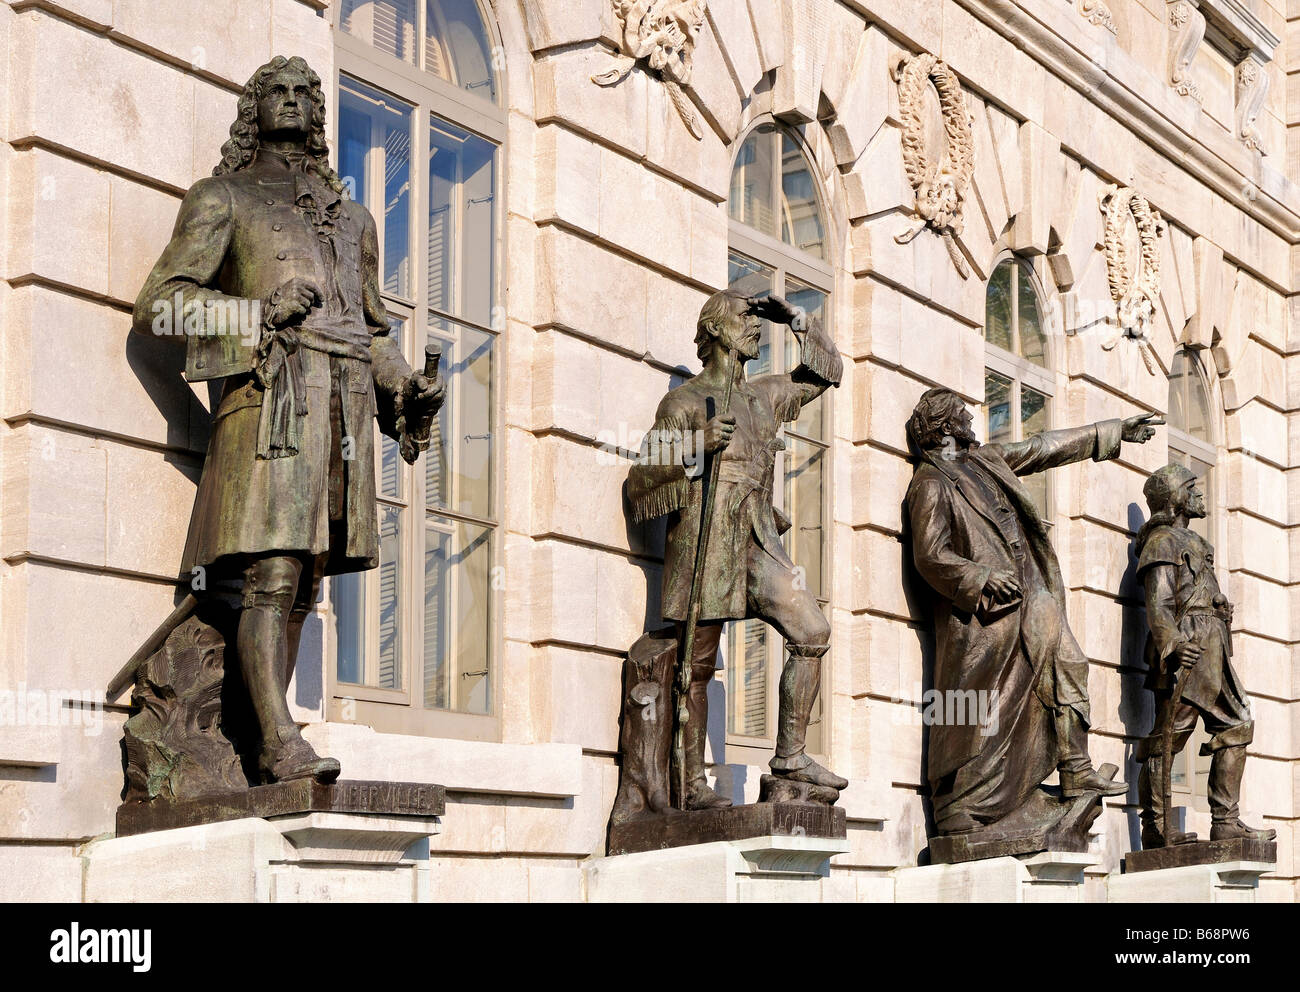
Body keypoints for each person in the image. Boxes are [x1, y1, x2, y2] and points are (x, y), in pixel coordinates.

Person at [133, 56, 444, 784]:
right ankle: (278, 741)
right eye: (280, 91)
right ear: (254, 108)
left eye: (309, 92)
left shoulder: (355, 219)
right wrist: (255, 313)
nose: (297, 101)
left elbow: (370, 333)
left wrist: (404, 391)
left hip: (342, 407)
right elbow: (160, 303)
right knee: (272, 571)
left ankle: (262, 726)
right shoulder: (224, 198)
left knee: (309, 578)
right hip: (271, 400)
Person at [905, 386, 1161, 834]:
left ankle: (1074, 764)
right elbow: (929, 555)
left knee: (1070, 662)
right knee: (974, 713)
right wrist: (980, 577)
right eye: (962, 413)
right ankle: (963, 805)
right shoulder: (930, 484)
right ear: (945, 426)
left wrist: (1109, 432)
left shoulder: (985, 461)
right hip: (984, 616)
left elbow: (1042, 448)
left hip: (1030, 592)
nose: (971, 416)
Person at [627, 289, 846, 808]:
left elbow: (825, 373)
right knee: (697, 665)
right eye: (746, 320)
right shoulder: (683, 402)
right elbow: (639, 482)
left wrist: (797, 319)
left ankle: (790, 756)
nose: (754, 329)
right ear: (718, 331)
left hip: (756, 535)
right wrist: (695, 445)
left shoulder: (764, 396)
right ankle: (691, 784)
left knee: (812, 631)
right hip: (707, 536)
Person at [1134, 464, 1275, 846]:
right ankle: (1156, 827)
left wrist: (1221, 612)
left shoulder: (1195, 542)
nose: (1199, 494)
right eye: (1191, 487)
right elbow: (1159, 604)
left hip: (1214, 648)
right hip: (1189, 648)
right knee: (1170, 736)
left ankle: (1225, 821)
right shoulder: (1161, 541)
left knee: (1237, 725)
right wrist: (1176, 644)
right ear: (1176, 496)